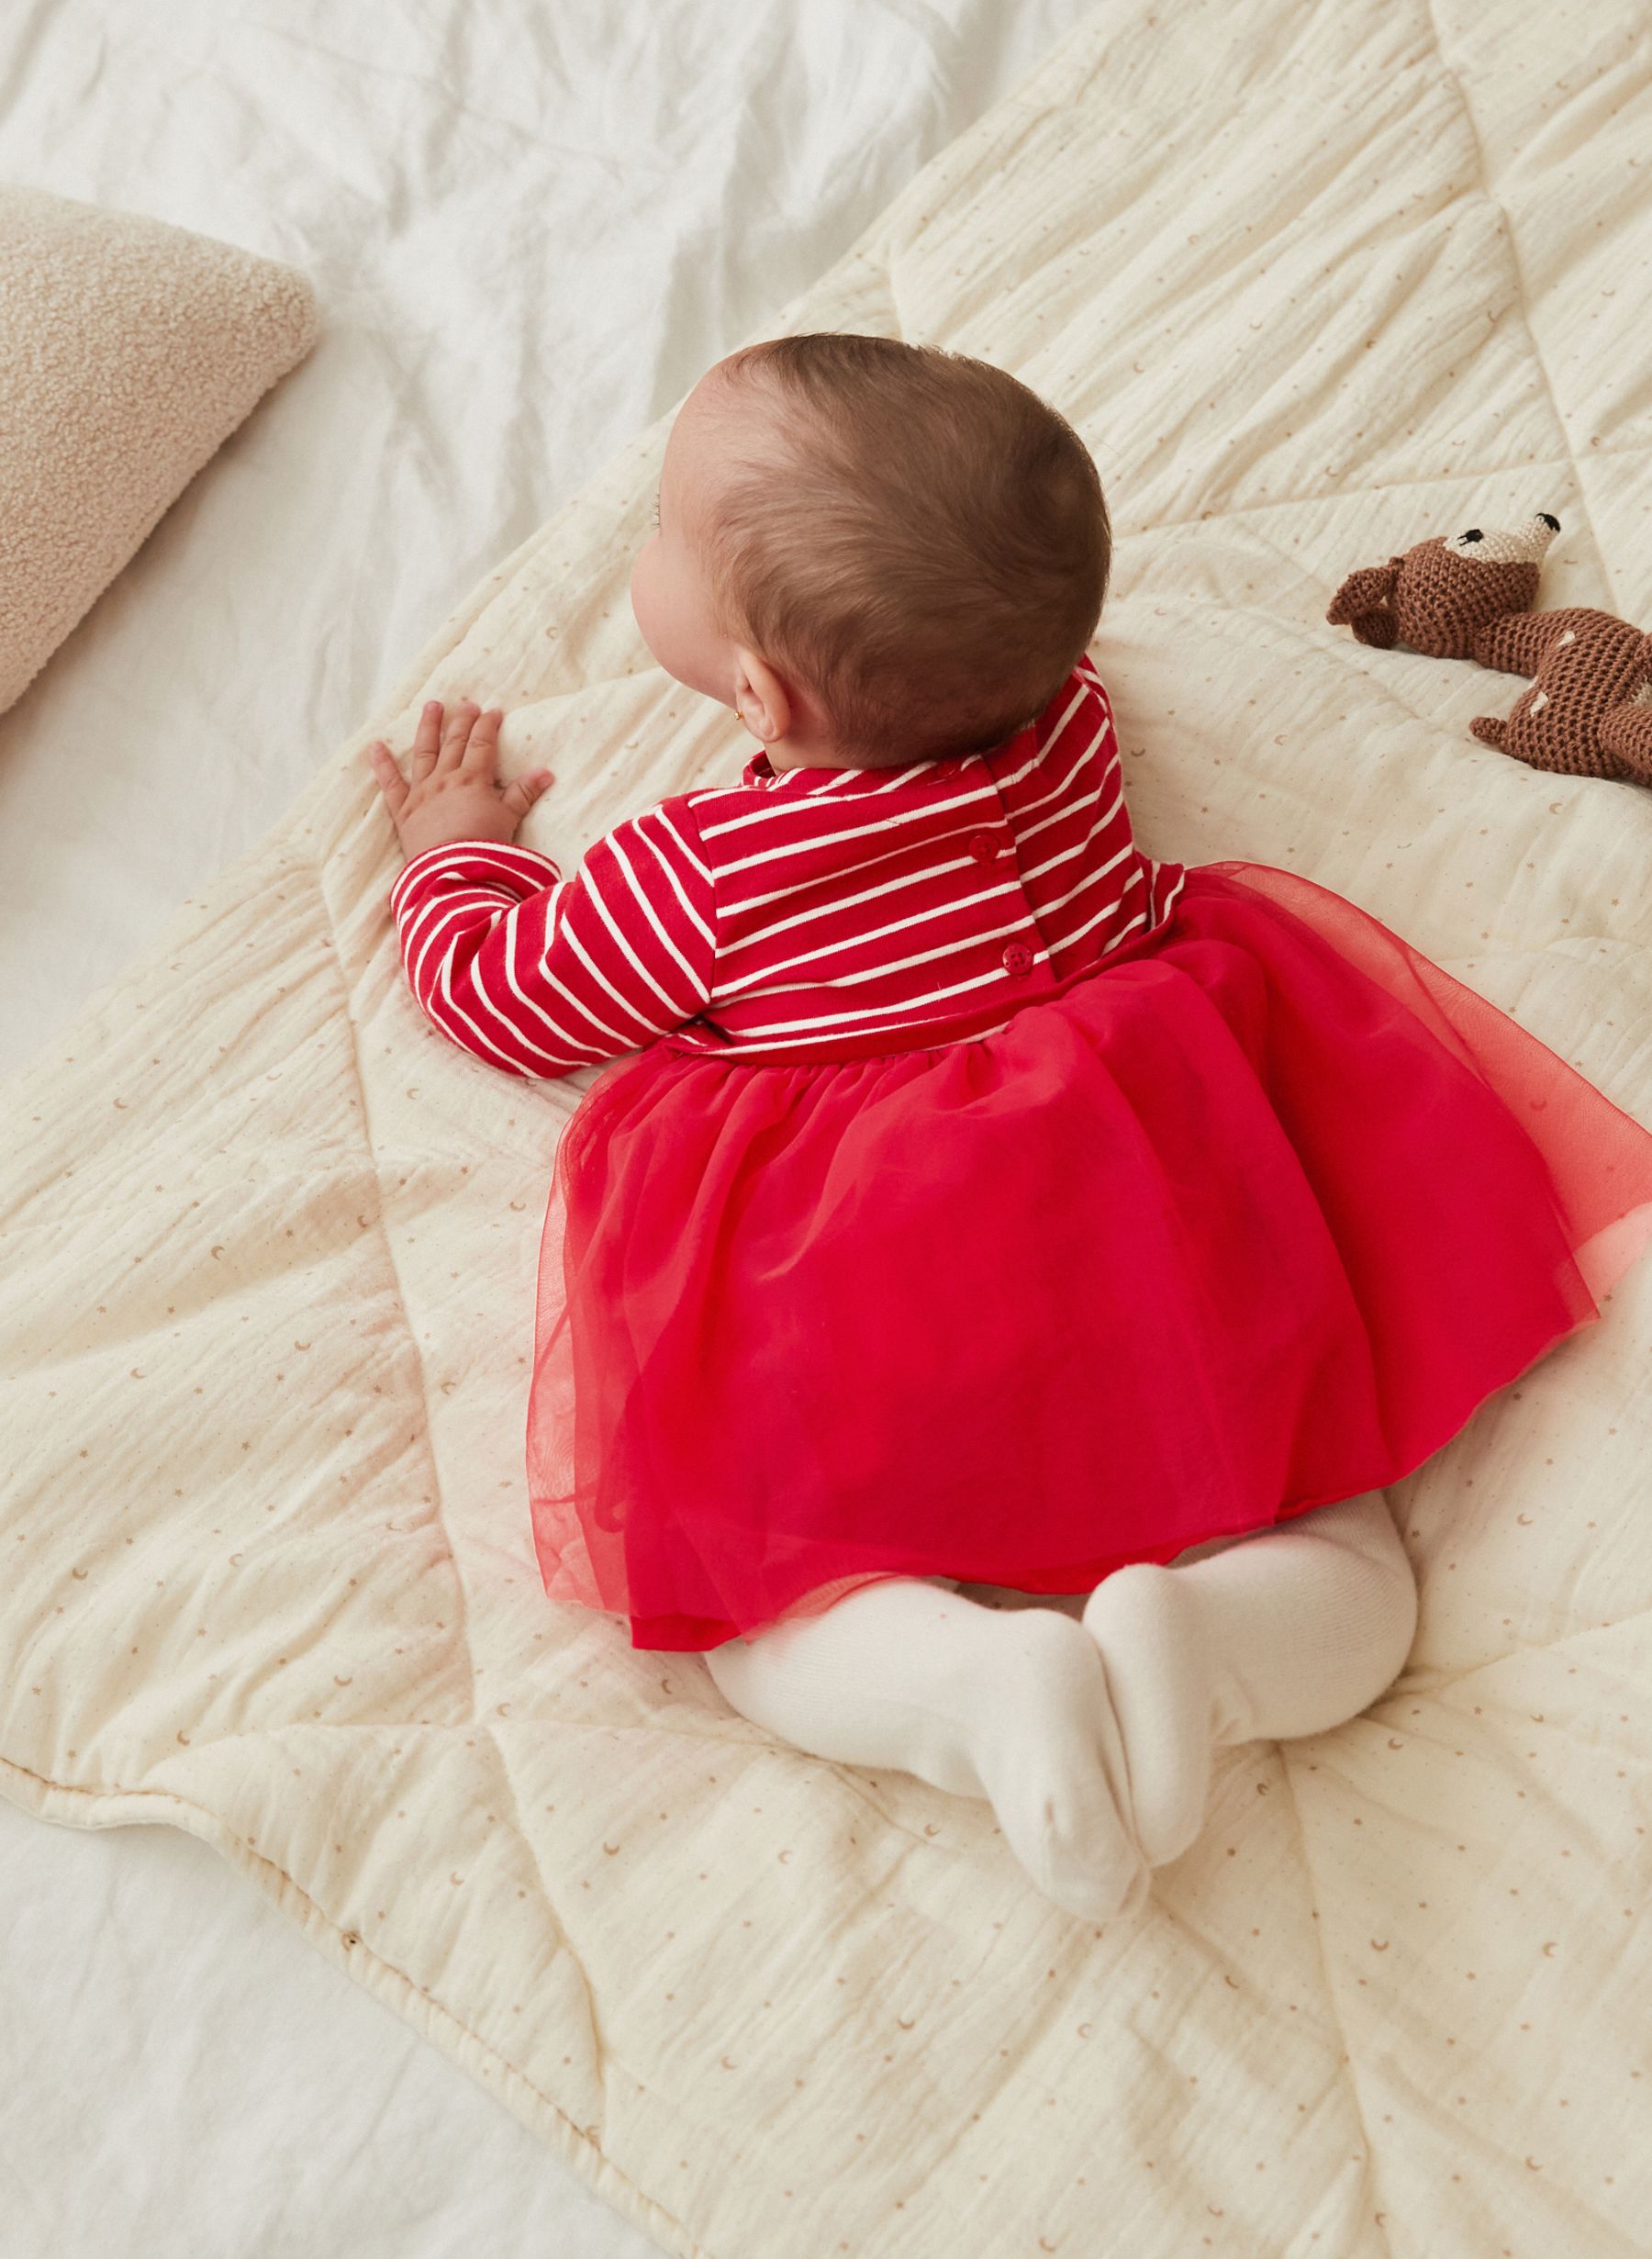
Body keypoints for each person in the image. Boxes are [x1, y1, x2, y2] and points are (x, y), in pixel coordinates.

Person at [367, 335, 1652, 1924]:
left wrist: (455, 850)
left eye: (660, 536)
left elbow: (503, 996)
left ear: (760, 692)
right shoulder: (1061, 726)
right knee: (1342, 1545)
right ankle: (1220, 1642)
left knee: (767, 1612)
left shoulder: (693, 872)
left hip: (865, 1269)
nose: (639, 550)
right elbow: (986, 609)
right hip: (1147, 1199)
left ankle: (967, 1685)